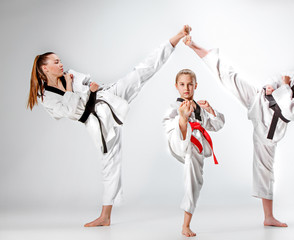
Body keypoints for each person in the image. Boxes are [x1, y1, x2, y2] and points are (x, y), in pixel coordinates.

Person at [27, 25, 192, 227]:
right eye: (56, 62)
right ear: (45, 68)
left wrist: (86, 90)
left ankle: (176, 38)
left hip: (108, 95)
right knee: (109, 164)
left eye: (60, 60)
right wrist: (75, 88)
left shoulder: (68, 73)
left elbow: (86, 89)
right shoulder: (45, 97)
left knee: (141, 71)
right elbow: (71, 111)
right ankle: (105, 216)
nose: (61, 64)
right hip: (96, 121)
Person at [183, 35, 294, 227]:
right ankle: (195, 46)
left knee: (265, 169)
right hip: (259, 101)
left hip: (269, 128)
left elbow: (291, 112)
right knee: (230, 76)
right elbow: (275, 81)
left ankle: (268, 217)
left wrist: (284, 87)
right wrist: (272, 86)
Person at [163, 69, 225, 237]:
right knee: (178, 123)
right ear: (176, 86)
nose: (186, 88)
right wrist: (182, 119)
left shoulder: (200, 108)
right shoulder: (174, 107)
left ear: (195, 86)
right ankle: (186, 226)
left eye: (190, 84)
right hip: (179, 140)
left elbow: (218, 125)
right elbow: (167, 125)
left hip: (195, 147)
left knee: (195, 183)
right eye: (182, 84)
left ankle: (186, 224)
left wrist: (210, 109)